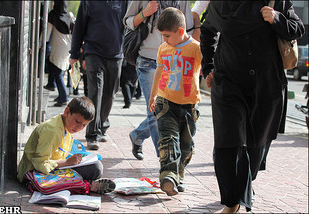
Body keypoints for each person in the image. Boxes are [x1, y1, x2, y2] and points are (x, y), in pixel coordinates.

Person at [200, 1, 304, 213]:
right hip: (228, 81)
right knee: (228, 141)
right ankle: (232, 203)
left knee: (256, 145)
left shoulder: (275, 1)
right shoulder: (220, 4)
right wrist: (208, 66)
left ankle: (244, 186)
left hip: (266, 85)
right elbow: (207, 29)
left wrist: (276, 18)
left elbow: (297, 28)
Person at [123, 0, 194, 160]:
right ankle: (166, 163)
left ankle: (137, 135)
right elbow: (127, 22)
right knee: (155, 111)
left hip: (173, 62)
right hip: (147, 60)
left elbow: (187, 28)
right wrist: (144, 13)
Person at [148, 7, 202, 196]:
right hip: (166, 102)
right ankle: (168, 176)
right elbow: (158, 72)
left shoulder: (195, 48)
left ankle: (178, 174)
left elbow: (207, 68)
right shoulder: (164, 48)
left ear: (180, 32)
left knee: (186, 145)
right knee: (169, 139)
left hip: (189, 106)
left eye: (167, 35)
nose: (164, 40)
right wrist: (153, 95)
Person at [17, 97, 116, 194]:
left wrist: (74, 160)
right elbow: (39, 164)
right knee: (96, 168)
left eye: (84, 125)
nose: (79, 127)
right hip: (35, 174)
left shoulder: (65, 127)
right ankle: (87, 185)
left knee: (95, 167)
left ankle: (80, 183)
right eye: (77, 122)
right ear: (67, 112)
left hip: (54, 168)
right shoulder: (52, 131)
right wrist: (67, 162)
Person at [69, 1, 128, 150]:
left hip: (116, 54)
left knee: (110, 93)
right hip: (93, 51)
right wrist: (74, 53)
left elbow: (130, 22)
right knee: (95, 91)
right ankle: (92, 134)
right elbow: (79, 27)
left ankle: (102, 125)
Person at [43, 1, 73, 107]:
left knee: (58, 74)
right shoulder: (68, 16)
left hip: (58, 47)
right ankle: (61, 95)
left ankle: (63, 97)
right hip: (68, 47)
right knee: (60, 71)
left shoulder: (53, 15)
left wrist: (41, 43)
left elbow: (47, 33)